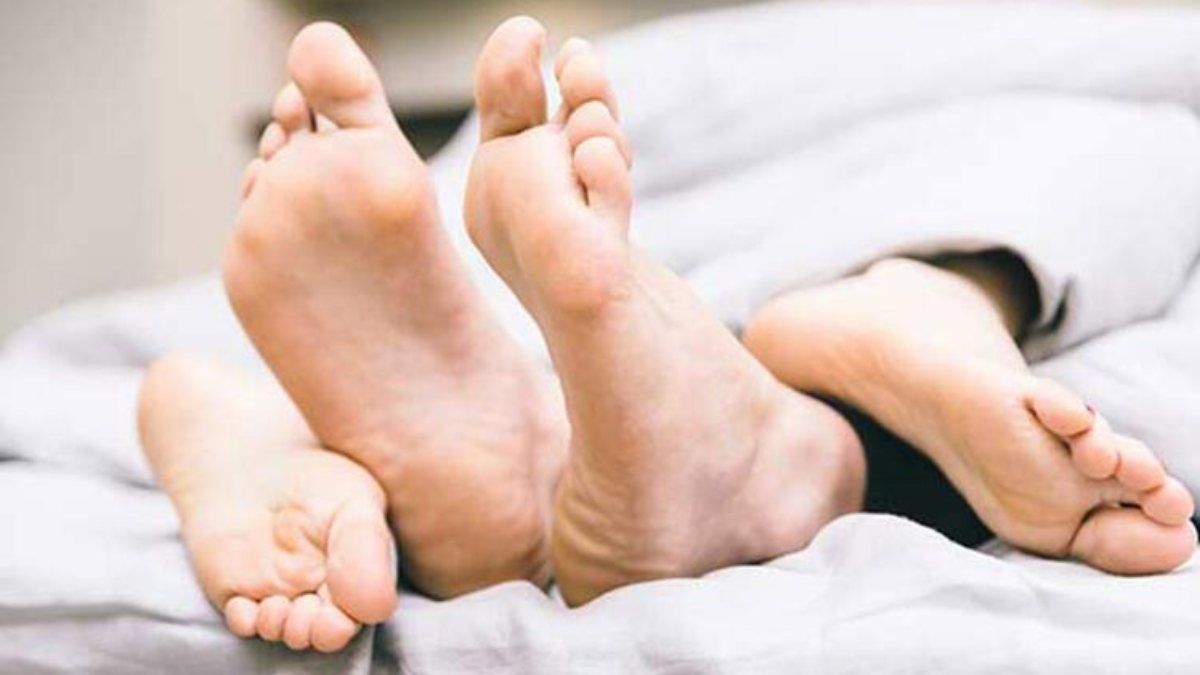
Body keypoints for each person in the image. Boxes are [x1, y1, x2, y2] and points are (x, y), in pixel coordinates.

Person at [137, 17, 1195, 653]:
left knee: (1125, 155)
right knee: (1150, 146)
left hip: (734, 275)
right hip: (783, 239)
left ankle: (729, 432)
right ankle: (909, 318)